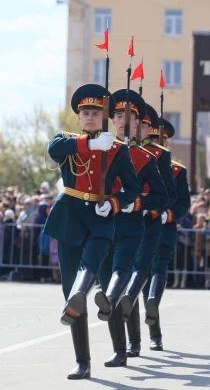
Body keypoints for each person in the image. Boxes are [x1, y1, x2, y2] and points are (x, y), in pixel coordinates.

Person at [42, 83, 140, 380]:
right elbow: (52, 150)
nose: (90, 117)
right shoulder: (68, 140)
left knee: (89, 268)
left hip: (100, 218)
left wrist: (113, 202)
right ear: (79, 117)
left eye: (96, 113)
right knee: (69, 288)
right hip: (70, 215)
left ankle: (81, 295)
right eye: (85, 113)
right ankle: (82, 361)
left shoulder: (118, 149)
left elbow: (133, 189)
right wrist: (89, 145)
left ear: (104, 116)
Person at [95, 91, 167, 368]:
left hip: (134, 225)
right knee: (109, 288)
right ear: (112, 120)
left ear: (138, 123)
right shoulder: (101, 149)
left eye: (130, 118)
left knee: (120, 282)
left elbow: (162, 196)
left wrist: (136, 202)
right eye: (118, 116)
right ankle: (124, 345)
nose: (124, 122)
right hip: (102, 225)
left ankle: (125, 347)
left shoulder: (146, 157)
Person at [123, 105, 178, 359]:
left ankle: (154, 335)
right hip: (123, 223)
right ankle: (133, 342)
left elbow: (169, 194)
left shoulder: (159, 155)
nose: (142, 129)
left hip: (150, 222)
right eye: (139, 123)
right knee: (127, 281)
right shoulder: (118, 149)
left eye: (146, 125)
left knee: (142, 278)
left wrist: (151, 209)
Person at [141, 118, 189, 352]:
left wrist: (167, 215)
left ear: (166, 143)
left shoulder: (178, 171)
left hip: (164, 227)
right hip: (140, 226)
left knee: (158, 270)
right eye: (151, 139)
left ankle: (154, 331)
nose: (155, 144)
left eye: (159, 140)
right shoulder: (137, 162)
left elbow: (183, 204)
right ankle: (143, 337)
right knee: (142, 277)